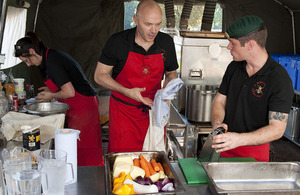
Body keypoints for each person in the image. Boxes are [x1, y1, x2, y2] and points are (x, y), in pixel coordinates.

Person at [94, 0, 178, 153]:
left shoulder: (166, 42)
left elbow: (171, 73)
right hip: (124, 114)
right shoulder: (117, 42)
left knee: (153, 162)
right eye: (148, 24)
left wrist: (168, 87)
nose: (154, 30)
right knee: (123, 162)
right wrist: (127, 91)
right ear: (135, 20)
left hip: (154, 113)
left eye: (158, 24)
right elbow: (99, 75)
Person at [210, 15, 294, 162]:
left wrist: (238, 140)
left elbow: (277, 129)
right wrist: (217, 124)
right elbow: (220, 101)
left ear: (250, 45)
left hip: (254, 154)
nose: (228, 47)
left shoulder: (278, 78)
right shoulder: (234, 67)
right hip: (224, 147)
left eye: (232, 43)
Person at [14, 32, 104, 166]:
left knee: (84, 148)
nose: (28, 64)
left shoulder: (52, 62)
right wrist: (51, 90)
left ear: (32, 51)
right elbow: (67, 82)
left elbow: (69, 92)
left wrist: (52, 96)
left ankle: (90, 176)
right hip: (78, 105)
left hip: (83, 106)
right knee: (78, 146)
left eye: (27, 60)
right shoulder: (49, 56)